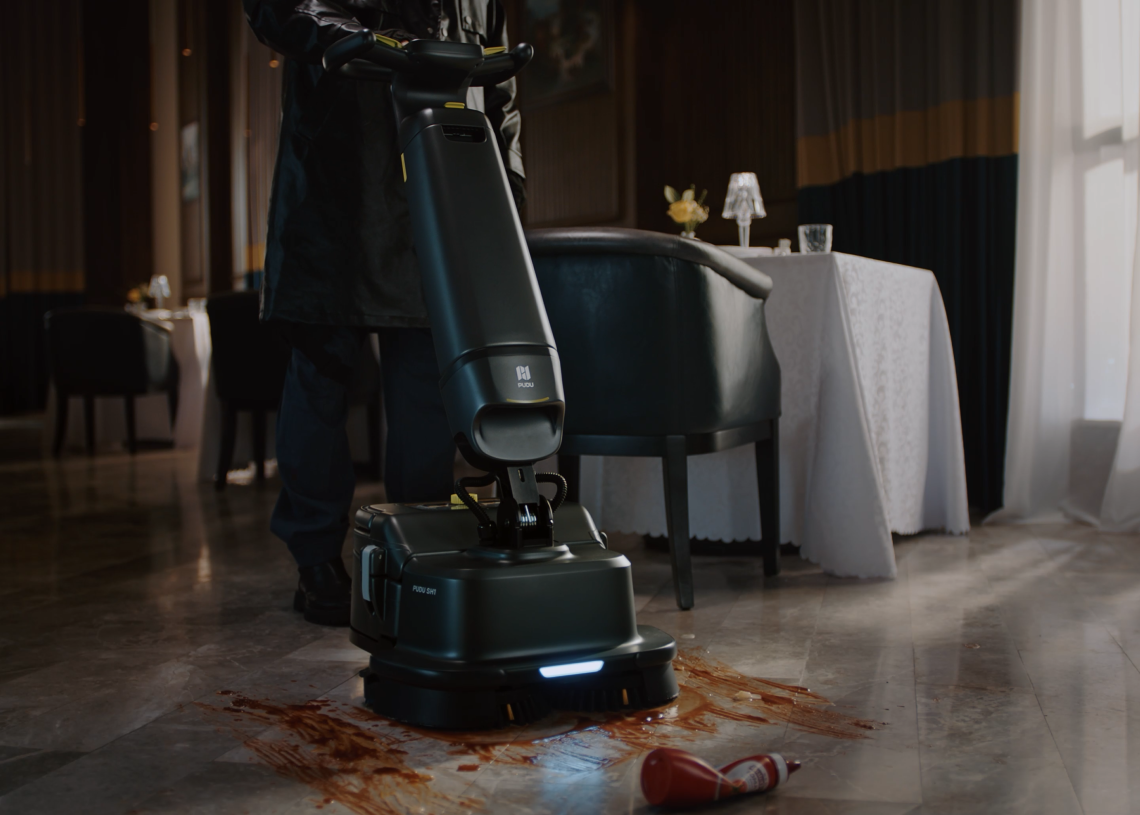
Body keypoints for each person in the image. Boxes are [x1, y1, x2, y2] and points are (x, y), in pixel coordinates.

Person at [242, 0, 525, 625]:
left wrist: (509, 193)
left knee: (427, 385)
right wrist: (355, 39)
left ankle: (416, 546)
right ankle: (316, 555)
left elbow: (502, 96)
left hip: (440, 183)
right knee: (318, 378)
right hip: (334, 183)